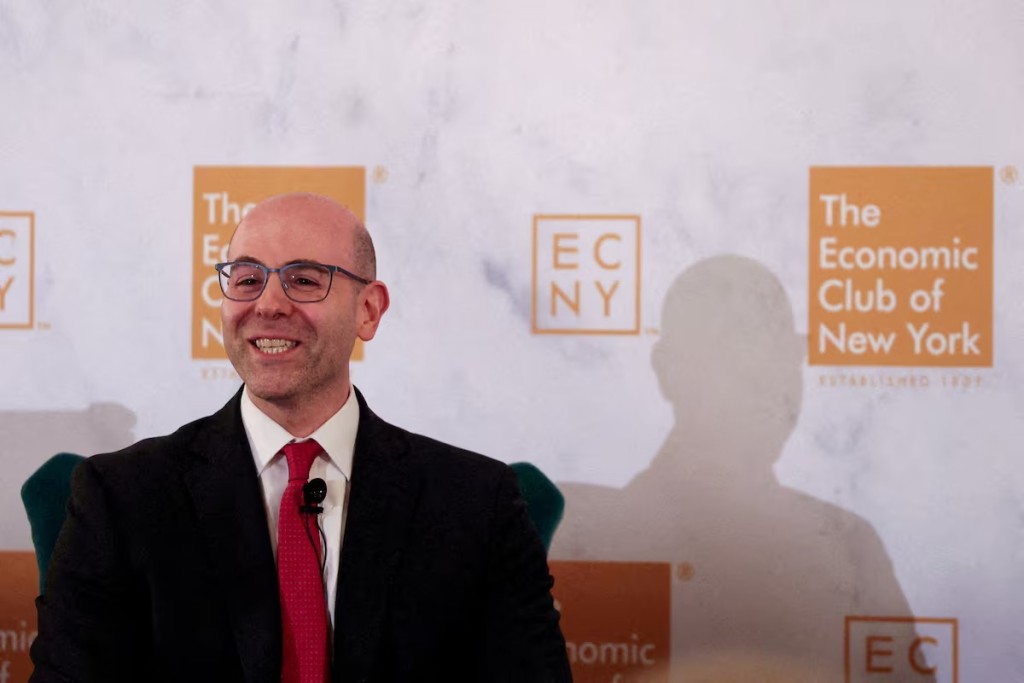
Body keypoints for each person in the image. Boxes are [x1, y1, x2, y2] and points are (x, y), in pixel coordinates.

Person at [30, 193, 572, 682]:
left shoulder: (476, 502)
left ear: (368, 310)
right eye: (247, 280)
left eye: (305, 280)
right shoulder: (121, 496)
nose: (268, 304)